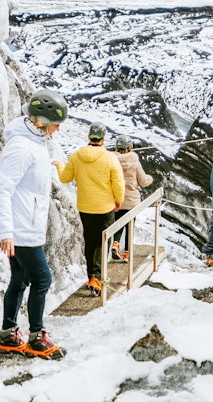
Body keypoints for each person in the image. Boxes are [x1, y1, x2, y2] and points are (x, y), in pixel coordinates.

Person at [0, 89, 68, 360]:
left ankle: (9, 334)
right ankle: (37, 337)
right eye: (56, 123)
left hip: (26, 226)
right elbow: (3, 190)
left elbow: (33, 190)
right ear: (42, 120)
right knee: (42, 279)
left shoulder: (34, 142)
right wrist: (7, 232)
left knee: (20, 279)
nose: (58, 129)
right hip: (19, 230)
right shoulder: (22, 147)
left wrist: (41, 222)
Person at [54, 122, 124, 296]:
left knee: (90, 241)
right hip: (105, 207)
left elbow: (64, 178)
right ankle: (97, 278)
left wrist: (58, 166)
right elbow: (118, 183)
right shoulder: (110, 157)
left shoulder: (77, 156)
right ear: (103, 138)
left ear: (88, 137)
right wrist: (118, 201)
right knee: (102, 242)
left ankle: (91, 275)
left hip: (85, 207)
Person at [111, 134, 153, 262]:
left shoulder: (111, 161)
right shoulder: (134, 162)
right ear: (130, 148)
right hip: (131, 201)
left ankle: (116, 244)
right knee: (130, 226)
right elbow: (143, 181)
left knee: (118, 223)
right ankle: (127, 254)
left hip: (116, 200)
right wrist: (150, 178)